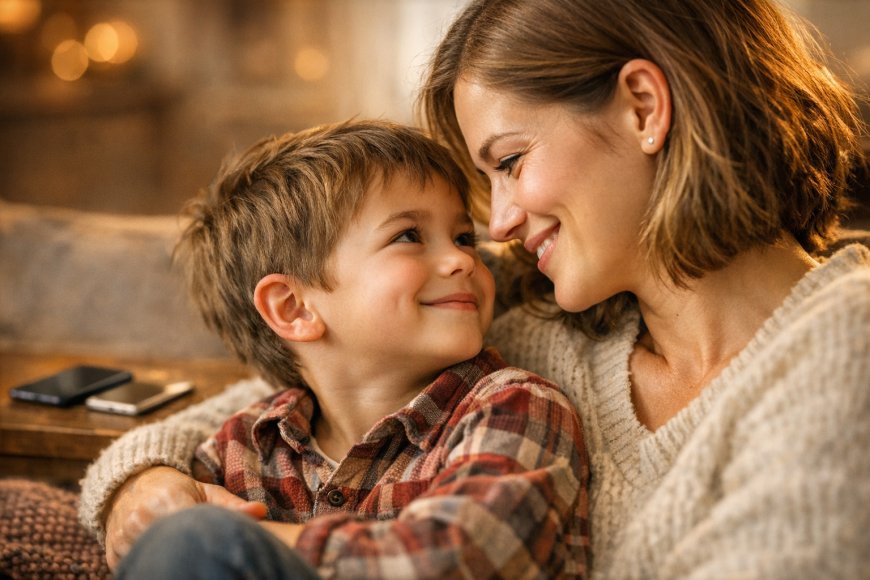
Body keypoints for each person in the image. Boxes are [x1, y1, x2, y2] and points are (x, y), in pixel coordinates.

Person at [79, 0, 870, 577]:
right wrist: (143, 485)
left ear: (642, 107)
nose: (496, 227)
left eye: (512, 161)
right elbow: (306, 389)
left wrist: (240, 549)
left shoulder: (846, 338)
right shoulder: (540, 326)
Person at [105, 119, 588, 579]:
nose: (462, 259)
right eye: (408, 236)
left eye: (464, 237)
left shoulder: (514, 405)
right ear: (293, 308)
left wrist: (231, 540)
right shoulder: (244, 447)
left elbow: (461, 559)